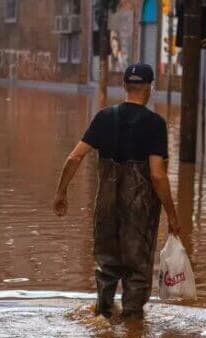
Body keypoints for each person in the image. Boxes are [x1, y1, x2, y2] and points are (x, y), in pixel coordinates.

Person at [52, 63, 179, 319]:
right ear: (149, 88)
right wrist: (172, 215)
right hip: (139, 210)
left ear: (124, 86)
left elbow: (74, 158)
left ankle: (103, 318)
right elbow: (156, 174)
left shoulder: (104, 117)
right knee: (137, 270)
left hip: (106, 206)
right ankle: (132, 335)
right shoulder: (154, 124)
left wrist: (61, 193)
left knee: (107, 266)